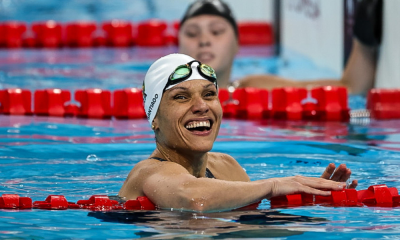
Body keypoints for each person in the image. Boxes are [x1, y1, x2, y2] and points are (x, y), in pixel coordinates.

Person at [119, 53, 357, 212]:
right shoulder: (148, 172)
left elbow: (248, 227)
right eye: (181, 97)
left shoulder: (226, 167)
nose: (202, 106)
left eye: (209, 94)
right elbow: (193, 198)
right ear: (155, 119)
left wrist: (312, 200)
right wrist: (275, 186)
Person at [178, 0, 396, 95]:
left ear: (237, 45)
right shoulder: (160, 97)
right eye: (192, 33)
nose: (204, 40)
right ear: (178, 45)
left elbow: (350, 88)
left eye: (216, 31)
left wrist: (363, 40)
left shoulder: (256, 88)